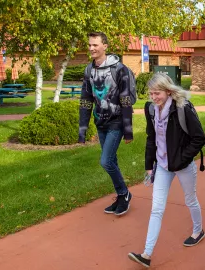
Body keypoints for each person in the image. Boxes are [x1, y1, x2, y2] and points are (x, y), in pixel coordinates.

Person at [128, 73, 205, 268]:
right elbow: (150, 137)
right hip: (162, 166)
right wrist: (149, 166)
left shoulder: (183, 108)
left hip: (182, 165)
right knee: (156, 209)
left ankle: (198, 231)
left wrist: (181, 159)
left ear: (168, 91)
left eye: (157, 93)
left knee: (190, 199)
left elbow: (199, 138)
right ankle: (146, 254)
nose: (154, 97)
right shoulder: (151, 110)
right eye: (151, 94)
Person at [78, 32, 133, 216]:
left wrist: (128, 130)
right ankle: (120, 196)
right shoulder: (89, 70)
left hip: (116, 122)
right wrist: (83, 129)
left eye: (95, 45)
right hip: (100, 122)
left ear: (105, 46)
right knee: (112, 160)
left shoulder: (120, 69)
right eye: (90, 45)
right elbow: (85, 100)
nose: (92, 48)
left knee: (106, 161)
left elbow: (125, 100)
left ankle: (124, 194)